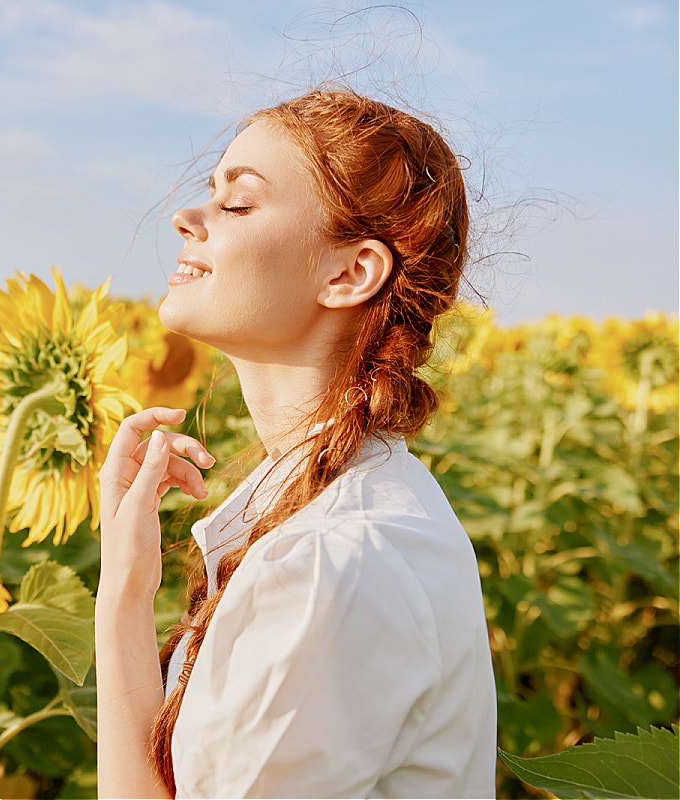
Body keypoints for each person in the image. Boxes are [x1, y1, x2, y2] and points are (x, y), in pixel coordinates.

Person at [96, 87, 497, 799]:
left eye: (238, 203)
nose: (186, 219)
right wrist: (126, 591)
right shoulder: (340, 518)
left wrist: (120, 601)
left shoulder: (331, 567)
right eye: (208, 193)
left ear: (349, 274)